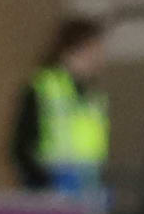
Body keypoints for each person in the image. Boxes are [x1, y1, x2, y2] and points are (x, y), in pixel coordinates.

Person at [13, 17, 108, 198]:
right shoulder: (43, 88)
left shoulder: (93, 96)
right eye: (93, 49)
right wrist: (43, 181)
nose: (98, 57)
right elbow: (20, 147)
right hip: (49, 188)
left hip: (87, 187)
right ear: (73, 49)